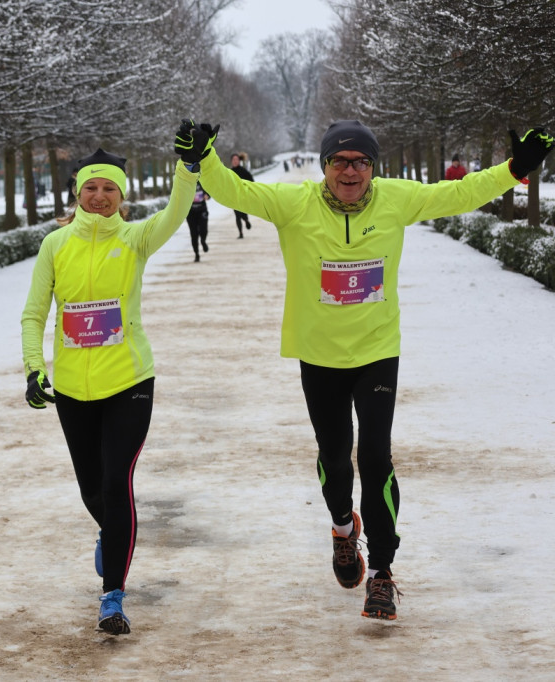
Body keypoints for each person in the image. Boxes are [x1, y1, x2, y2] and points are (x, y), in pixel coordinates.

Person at [180, 119, 553, 620]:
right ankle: (341, 528)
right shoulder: (294, 205)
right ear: (325, 166)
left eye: (360, 161)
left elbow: (460, 192)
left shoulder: (395, 199)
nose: (350, 170)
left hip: (377, 351)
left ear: (373, 168)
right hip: (319, 356)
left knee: (376, 458)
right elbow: (234, 190)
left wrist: (515, 169)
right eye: (340, 160)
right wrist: (204, 159)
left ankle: (381, 573)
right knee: (335, 459)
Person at [20, 130, 204, 635]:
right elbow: (35, 314)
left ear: (122, 197)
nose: (99, 196)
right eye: (91, 188)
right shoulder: (56, 245)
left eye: (110, 189)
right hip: (74, 390)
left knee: (116, 481)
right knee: (92, 487)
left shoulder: (135, 239)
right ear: (77, 193)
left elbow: (175, 212)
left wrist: (189, 167)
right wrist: (35, 366)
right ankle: (112, 535)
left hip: (129, 382)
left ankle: (113, 596)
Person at [229, 153, 254, 237]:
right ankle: (240, 233)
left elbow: (251, 181)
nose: (235, 161)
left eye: (236, 159)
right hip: (234, 196)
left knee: (243, 213)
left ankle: (246, 220)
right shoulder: (229, 172)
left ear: (239, 161)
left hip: (243, 195)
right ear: (231, 161)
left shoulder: (244, 171)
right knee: (237, 215)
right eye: (233, 160)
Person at [186, 182, 209, 261]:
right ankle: (196, 254)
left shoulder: (202, 180)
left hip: (202, 210)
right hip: (190, 212)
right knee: (194, 234)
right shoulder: (186, 182)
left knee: (203, 229)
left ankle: (203, 241)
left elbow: (209, 191)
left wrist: (207, 195)